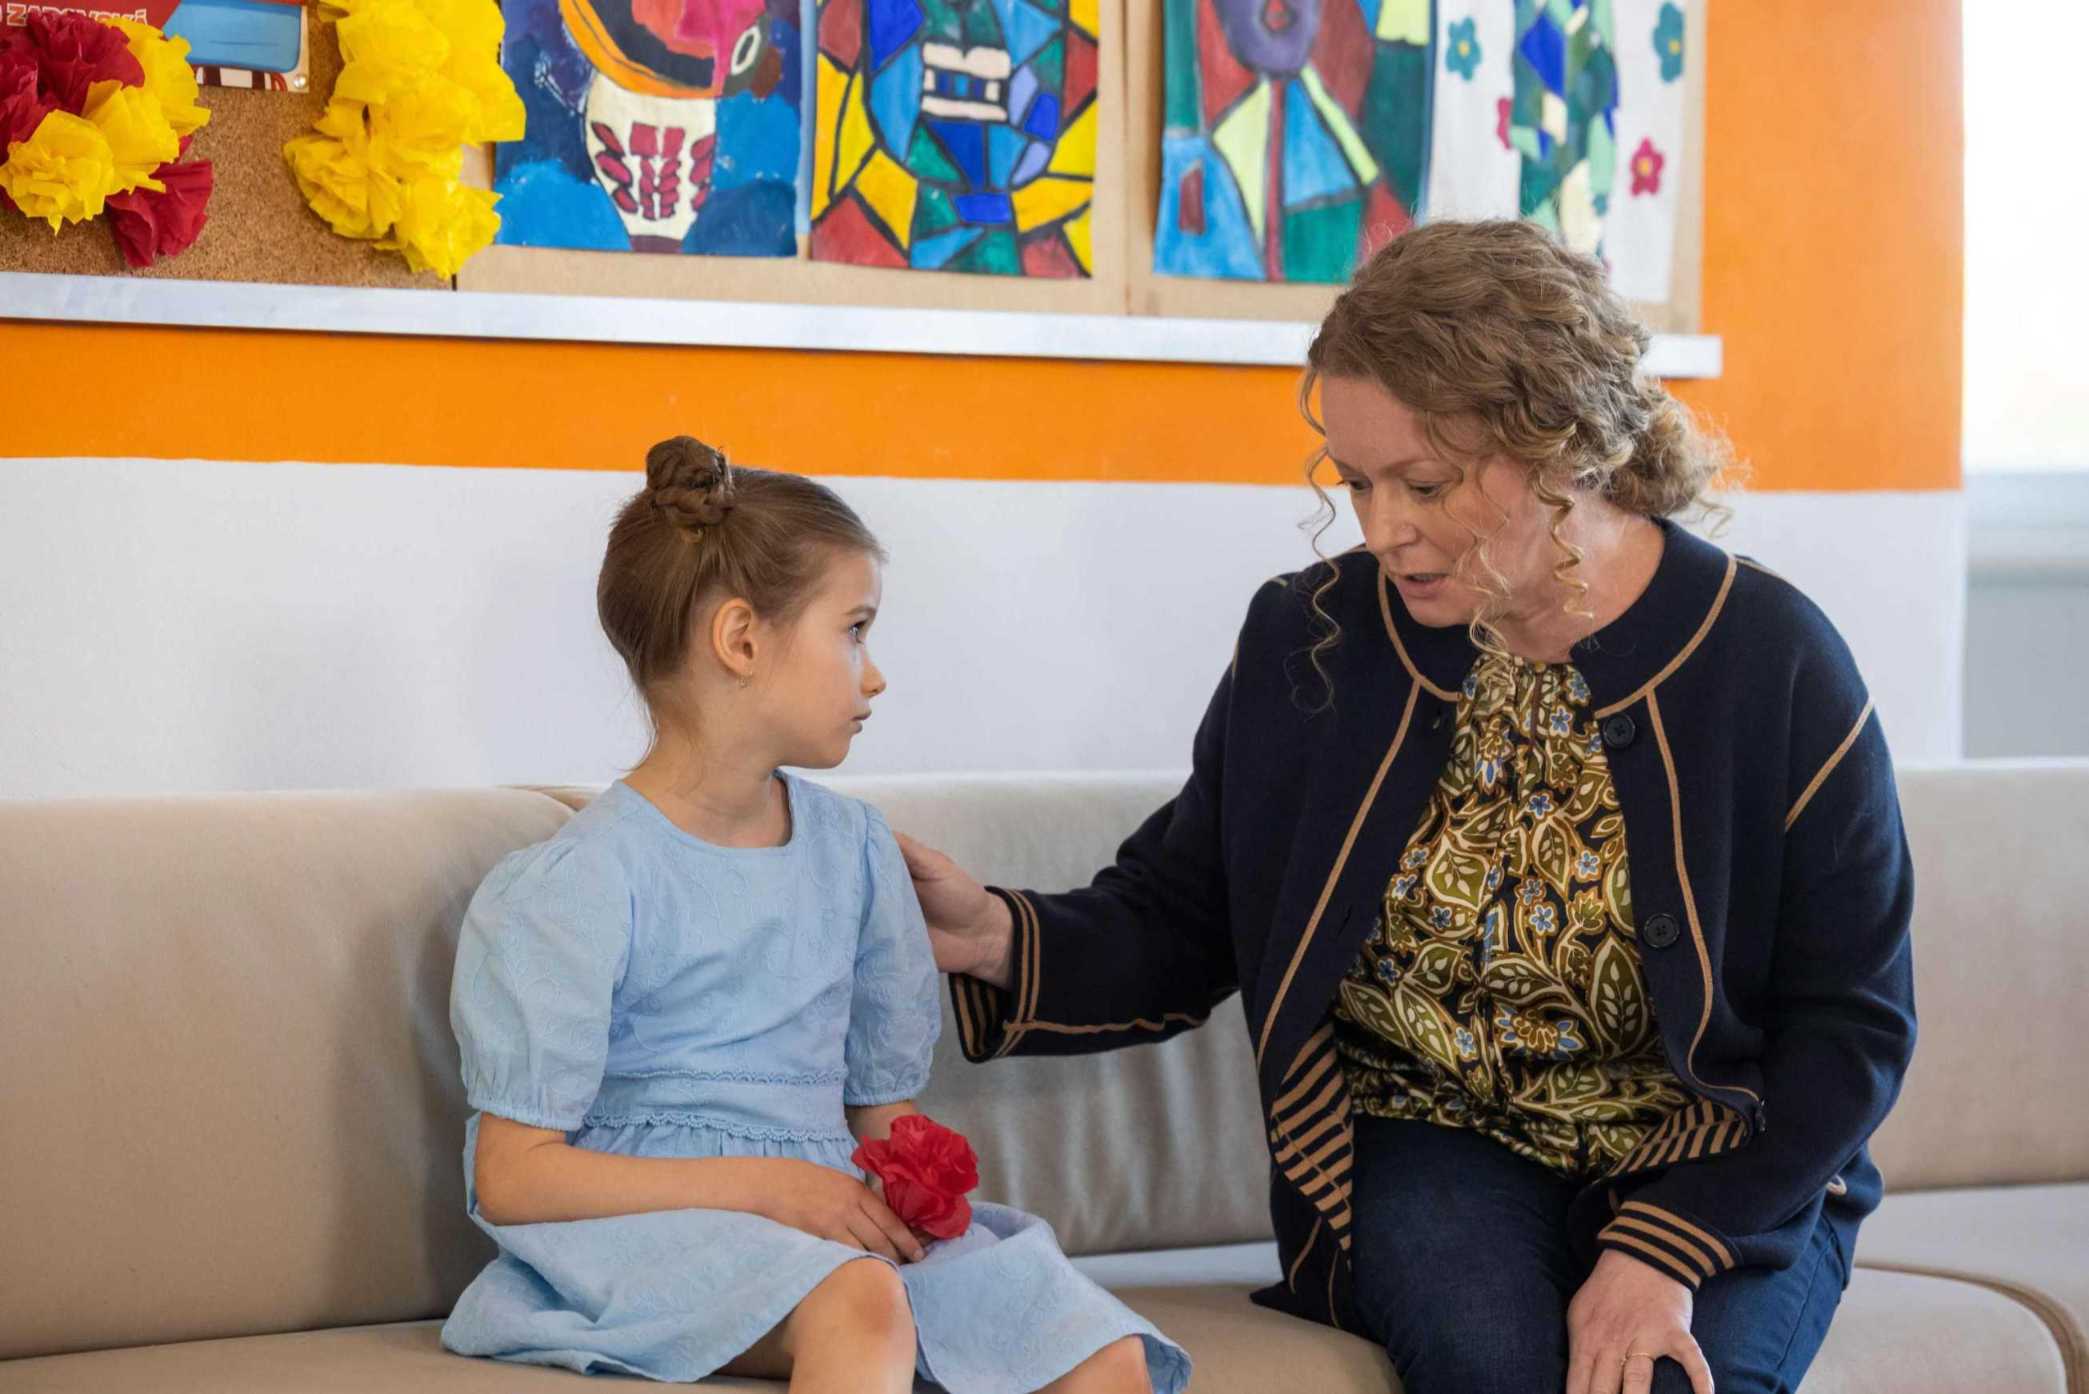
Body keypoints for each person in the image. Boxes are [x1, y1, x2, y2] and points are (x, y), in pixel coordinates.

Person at [902, 220, 1916, 1394]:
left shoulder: (1771, 658)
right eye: (1354, 480)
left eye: (1424, 483)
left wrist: (1664, 1244)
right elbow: (1185, 911)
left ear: (1563, 447)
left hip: (1723, 1154)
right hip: (1433, 1140)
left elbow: (1850, 1027)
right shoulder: (1311, 639)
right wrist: (997, 934)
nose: (1381, 528)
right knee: (1491, 1370)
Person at [441, 436, 1188, 1394]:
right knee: (858, 1298)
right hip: (646, 1238)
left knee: (1095, 1346)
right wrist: (770, 1187)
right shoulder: (576, 883)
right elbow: (513, 1177)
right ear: (741, 640)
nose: (874, 676)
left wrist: (904, 1184)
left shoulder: (857, 852)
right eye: (854, 630)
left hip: (828, 1224)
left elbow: (881, 1110)